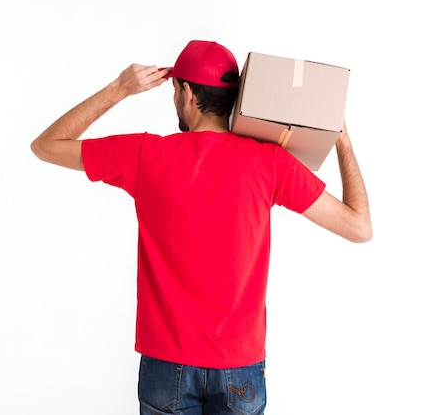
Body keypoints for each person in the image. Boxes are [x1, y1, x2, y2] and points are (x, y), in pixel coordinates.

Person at [30, 40, 372, 415]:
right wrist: (342, 141)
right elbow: (359, 227)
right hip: (239, 365)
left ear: (187, 93)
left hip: (167, 364)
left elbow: (46, 145)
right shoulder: (270, 163)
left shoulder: (145, 155)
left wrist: (119, 89)